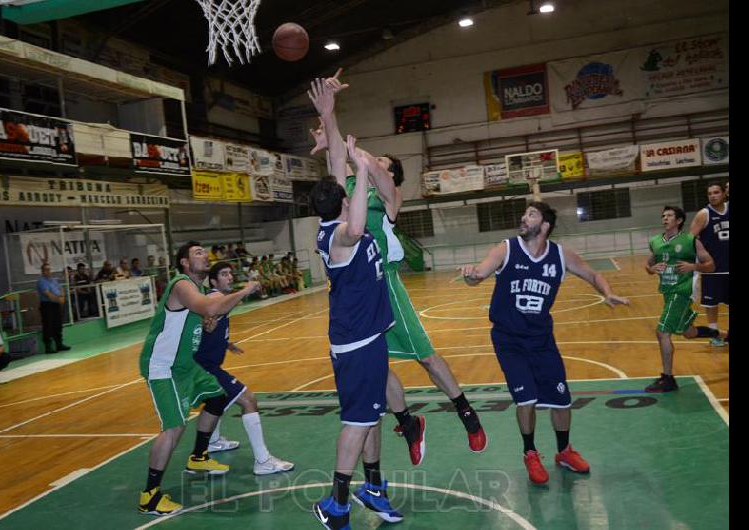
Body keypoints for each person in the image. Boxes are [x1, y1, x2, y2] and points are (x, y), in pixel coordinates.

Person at [309, 72, 486, 466]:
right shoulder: (350, 196)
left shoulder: (388, 196)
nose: (375, 165)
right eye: (374, 162)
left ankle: (467, 414)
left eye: (384, 164)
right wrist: (329, 116)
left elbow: (355, 158)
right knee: (378, 365)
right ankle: (408, 423)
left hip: (383, 281)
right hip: (355, 289)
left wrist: (356, 153)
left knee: (424, 355)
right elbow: (340, 160)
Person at [460, 201, 630, 484]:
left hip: (541, 340)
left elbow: (593, 274)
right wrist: (471, 276)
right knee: (525, 399)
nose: (523, 218)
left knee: (562, 400)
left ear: (545, 226)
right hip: (509, 339)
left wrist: (607, 292)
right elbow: (480, 273)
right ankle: (530, 453)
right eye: (524, 212)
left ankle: (564, 451)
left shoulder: (561, 256)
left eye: (531, 214)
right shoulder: (507, 248)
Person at [311, 136, 403, 528]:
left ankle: (373, 488)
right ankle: (335, 503)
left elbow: (335, 167)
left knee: (371, 415)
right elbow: (360, 223)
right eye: (347, 190)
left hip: (369, 336)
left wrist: (331, 126)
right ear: (344, 201)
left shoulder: (334, 220)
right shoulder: (340, 236)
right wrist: (363, 170)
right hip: (356, 343)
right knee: (358, 420)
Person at [138, 241, 261, 516]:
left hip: (186, 366)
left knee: (218, 395)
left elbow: (205, 317)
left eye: (205, 252)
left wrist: (209, 327)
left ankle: (198, 457)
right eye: (197, 253)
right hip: (163, 366)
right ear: (183, 262)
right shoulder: (182, 284)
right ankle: (149, 495)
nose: (204, 255)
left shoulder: (201, 290)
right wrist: (244, 290)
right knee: (173, 427)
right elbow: (208, 308)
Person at [194, 261, 294, 474]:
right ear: (213, 281)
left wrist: (226, 343)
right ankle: (263, 461)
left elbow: (206, 327)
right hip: (205, 368)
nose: (229, 277)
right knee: (248, 400)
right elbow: (217, 307)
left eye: (230, 273)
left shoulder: (217, 301)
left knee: (217, 401)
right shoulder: (215, 298)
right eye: (223, 274)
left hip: (204, 364)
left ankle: (212, 441)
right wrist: (247, 289)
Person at [644, 206, 728, 393]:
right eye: (663, 215)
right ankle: (722, 335)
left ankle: (668, 378)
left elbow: (711, 265)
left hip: (682, 292)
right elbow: (647, 265)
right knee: (688, 332)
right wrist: (652, 269)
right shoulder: (655, 241)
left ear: (679, 220)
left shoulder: (691, 241)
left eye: (669, 215)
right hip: (667, 292)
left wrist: (693, 266)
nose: (665, 218)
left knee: (662, 332)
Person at [689, 182, 729, 346]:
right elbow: (690, 238)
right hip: (713, 269)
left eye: (716, 192)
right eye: (710, 193)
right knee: (711, 304)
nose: (713, 196)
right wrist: (700, 260)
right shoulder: (703, 214)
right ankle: (715, 335)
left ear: (724, 193)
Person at [37, 263, 70, 354]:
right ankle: (48, 347)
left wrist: (63, 296)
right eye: (46, 270)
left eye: (49, 269)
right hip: (47, 305)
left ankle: (59, 344)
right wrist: (59, 299)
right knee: (48, 325)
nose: (48, 271)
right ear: (42, 271)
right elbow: (48, 294)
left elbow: (61, 289)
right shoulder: (42, 281)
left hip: (56, 306)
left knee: (58, 324)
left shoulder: (53, 280)